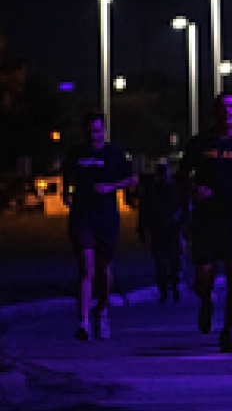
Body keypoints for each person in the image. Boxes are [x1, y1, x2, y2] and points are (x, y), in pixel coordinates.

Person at [176, 93, 232, 353]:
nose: (228, 111)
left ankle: (228, 331)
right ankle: (206, 300)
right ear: (214, 112)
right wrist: (193, 189)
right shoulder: (200, 143)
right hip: (206, 218)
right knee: (204, 278)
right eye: (223, 107)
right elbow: (181, 176)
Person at [62, 112, 137, 341]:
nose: (92, 136)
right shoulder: (75, 154)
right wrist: (67, 194)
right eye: (88, 131)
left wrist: (111, 186)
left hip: (106, 218)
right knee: (86, 267)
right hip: (82, 217)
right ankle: (82, 322)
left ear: (103, 131)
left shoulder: (114, 154)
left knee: (104, 270)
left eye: (96, 131)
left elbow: (132, 181)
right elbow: (67, 178)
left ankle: (102, 311)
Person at [138, 162, 189, 303]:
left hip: (172, 229)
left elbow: (186, 209)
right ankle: (168, 289)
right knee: (164, 262)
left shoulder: (175, 190)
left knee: (173, 261)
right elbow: (144, 212)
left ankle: (172, 288)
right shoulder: (154, 192)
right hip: (162, 230)